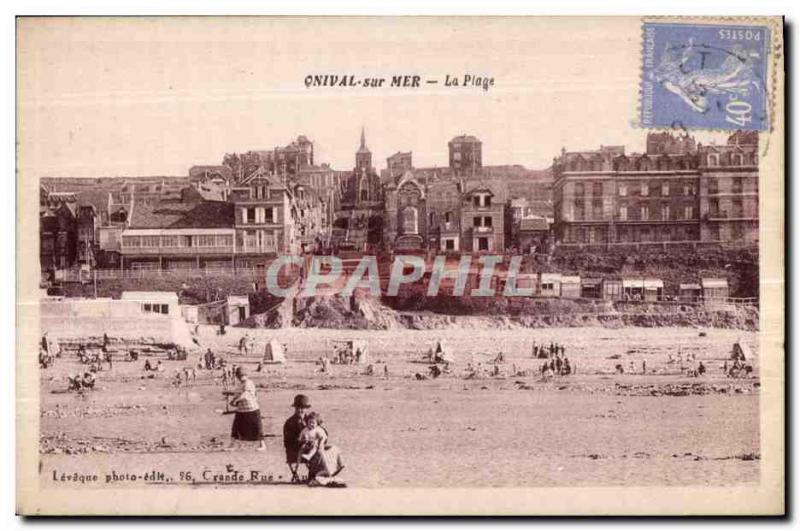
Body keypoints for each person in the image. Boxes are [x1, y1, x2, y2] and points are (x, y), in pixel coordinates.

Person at [298, 412, 345, 487]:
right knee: (319, 450)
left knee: (334, 448)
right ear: (307, 422)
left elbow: (324, 437)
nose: (311, 424)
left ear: (317, 423)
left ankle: (339, 465)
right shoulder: (305, 429)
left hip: (318, 445)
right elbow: (300, 439)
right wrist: (305, 440)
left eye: (313, 423)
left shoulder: (318, 429)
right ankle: (326, 471)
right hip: (309, 447)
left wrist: (321, 442)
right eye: (309, 422)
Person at [228, 367, 266, 451]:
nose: (241, 377)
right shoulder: (240, 384)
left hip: (252, 409)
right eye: (239, 375)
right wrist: (234, 401)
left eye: (242, 375)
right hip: (241, 409)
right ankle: (232, 445)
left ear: (246, 375)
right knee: (236, 427)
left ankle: (262, 445)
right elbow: (238, 394)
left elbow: (245, 394)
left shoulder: (248, 383)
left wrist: (235, 400)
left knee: (257, 427)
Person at [284, 394, 312, 482]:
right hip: (296, 450)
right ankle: (315, 475)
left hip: (312, 446)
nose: (300, 410)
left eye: (302, 408)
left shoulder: (311, 420)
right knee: (318, 453)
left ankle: (325, 472)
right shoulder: (290, 422)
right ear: (295, 408)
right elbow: (288, 443)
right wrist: (303, 442)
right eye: (298, 408)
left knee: (332, 448)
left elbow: (323, 432)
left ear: (306, 409)